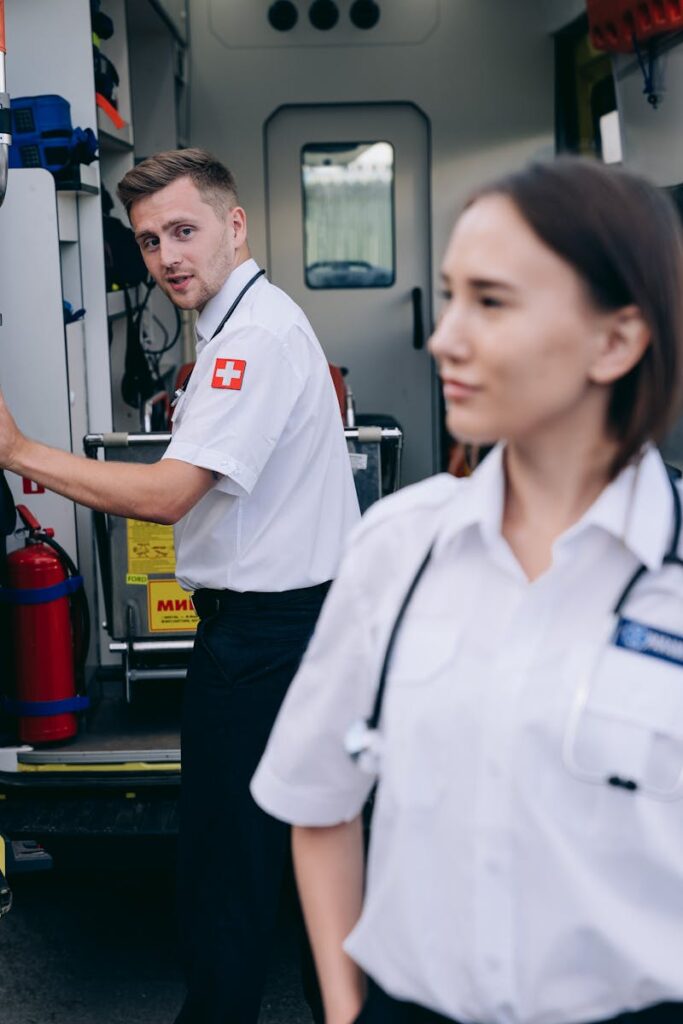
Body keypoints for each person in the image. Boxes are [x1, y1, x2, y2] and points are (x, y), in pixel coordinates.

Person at [251, 156, 683, 1024]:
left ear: (616, 339)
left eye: (489, 302)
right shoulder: (398, 548)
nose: (443, 336)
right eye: (449, 297)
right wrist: (344, 1013)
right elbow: (318, 804)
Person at [0, 147, 360, 1023]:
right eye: (150, 240)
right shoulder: (240, 329)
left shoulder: (254, 340)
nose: (167, 257)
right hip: (282, 632)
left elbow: (167, 497)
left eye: (185, 231)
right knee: (288, 860)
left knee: (226, 866)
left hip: (268, 639)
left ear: (235, 226)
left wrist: (16, 451)